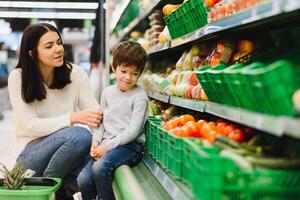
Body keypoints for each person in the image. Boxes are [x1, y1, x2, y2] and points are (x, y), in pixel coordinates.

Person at [7, 23, 103, 199]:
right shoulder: (19, 77)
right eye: (49, 46)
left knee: (94, 167)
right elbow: (29, 125)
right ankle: (53, 189)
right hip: (29, 158)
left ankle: (63, 190)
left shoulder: (76, 74)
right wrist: (73, 118)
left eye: (59, 43)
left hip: (65, 154)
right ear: (32, 53)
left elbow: (95, 113)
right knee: (80, 135)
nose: (58, 49)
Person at [77, 40, 148, 200]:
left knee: (100, 168)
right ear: (114, 68)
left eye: (134, 73)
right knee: (83, 179)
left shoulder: (140, 97)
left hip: (130, 146)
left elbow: (133, 131)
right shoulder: (107, 92)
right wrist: (96, 141)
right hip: (106, 143)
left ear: (140, 74)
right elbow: (101, 122)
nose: (128, 77)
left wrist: (107, 147)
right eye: (123, 71)